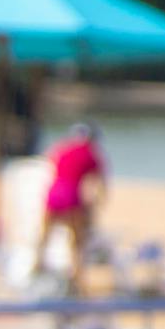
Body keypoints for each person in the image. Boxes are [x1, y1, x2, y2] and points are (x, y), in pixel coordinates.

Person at [41, 123, 108, 294]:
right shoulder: (91, 155)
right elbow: (99, 185)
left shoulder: (62, 149)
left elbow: (48, 163)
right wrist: (95, 207)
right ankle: (77, 280)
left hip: (53, 196)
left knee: (44, 238)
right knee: (77, 243)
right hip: (72, 198)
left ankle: (38, 269)